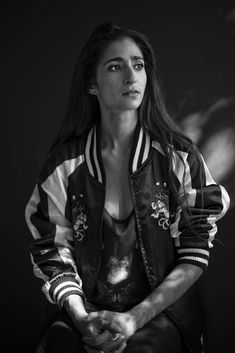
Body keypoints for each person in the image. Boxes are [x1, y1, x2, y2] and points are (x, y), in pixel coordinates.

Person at [25, 21, 230, 353]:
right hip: (84, 311)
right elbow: (52, 252)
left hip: (162, 312)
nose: (131, 76)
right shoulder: (64, 166)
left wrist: (135, 318)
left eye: (138, 65)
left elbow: (194, 251)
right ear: (91, 84)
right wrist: (81, 319)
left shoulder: (178, 158)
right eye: (116, 66)